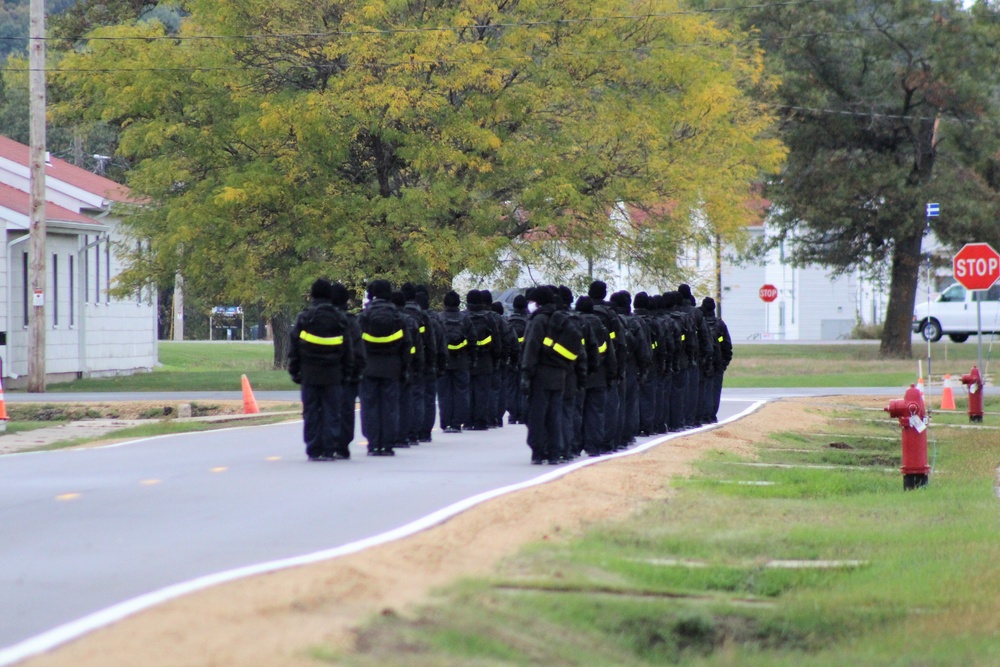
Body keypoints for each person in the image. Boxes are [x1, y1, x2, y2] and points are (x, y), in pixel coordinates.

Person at [288, 278, 355, 461]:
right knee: (332, 412)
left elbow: (294, 346)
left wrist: (294, 369)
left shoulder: (305, 317)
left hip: (309, 372)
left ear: (312, 295)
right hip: (333, 373)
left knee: (311, 411)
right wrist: (347, 371)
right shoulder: (339, 318)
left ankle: (313, 448)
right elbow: (347, 348)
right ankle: (329, 448)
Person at [358, 280, 412, 456]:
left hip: (369, 368)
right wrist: (404, 368)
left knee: (370, 406)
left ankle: (373, 443)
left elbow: (356, 344)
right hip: (392, 368)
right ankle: (387, 444)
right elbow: (406, 345)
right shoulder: (398, 317)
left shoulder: (364, 316)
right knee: (390, 407)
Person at [519, 286, 570, 464]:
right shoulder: (561, 318)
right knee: (554, 415)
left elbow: (531, 348)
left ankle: (539, 451)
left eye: (532, 301)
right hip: (559, 374)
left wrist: (526, 373)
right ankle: (555, 451)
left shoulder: (538, 320)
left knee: (537, 415)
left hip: (540, 375)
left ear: (538, 302)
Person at [331, 282, 365, 458]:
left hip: (321, 372)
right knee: (345, 409)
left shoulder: (311, 317)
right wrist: (357, 372)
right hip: (346, 373)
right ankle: (342, 445)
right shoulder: (351, 321)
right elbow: (358, 349)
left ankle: (324, 443)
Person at [437, 290, 475, 432]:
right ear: (459, 303)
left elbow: (435, 340)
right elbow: (472, 340)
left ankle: (445, 422)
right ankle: (457, 423)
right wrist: (471, 358)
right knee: (461, 392)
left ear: (444, 303)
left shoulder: (438, 318)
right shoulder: (465, 319)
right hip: (461, 361)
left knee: (444, 393)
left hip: (444, 362)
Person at [700, 297, 733, 423]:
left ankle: (703, 414)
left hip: (702, 362)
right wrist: (725, 362)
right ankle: (711, 414)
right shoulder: (720, 324)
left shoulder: (699, 323)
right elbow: (727, 345)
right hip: (717, 362)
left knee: (703, 388)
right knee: (715, 389)